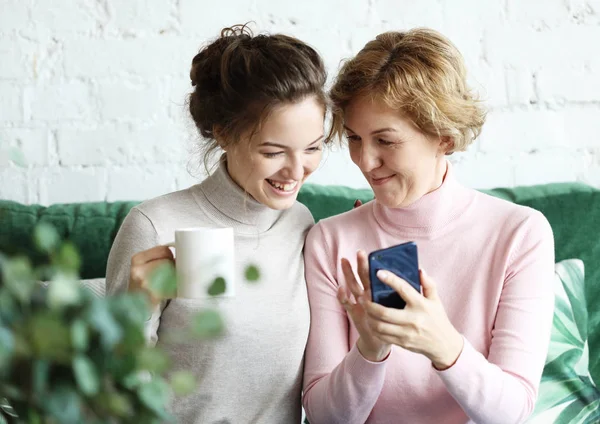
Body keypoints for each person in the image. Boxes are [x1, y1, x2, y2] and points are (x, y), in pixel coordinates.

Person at [302, 28, 555, 424]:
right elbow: (323, 418)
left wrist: (444, 346)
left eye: (385, 140)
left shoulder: (519, 234)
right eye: (354, 138)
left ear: (445, 138)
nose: (365, 161)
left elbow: (512, 413)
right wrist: (369, 349)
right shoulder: (330, 240)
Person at [106, 24, 328, 423]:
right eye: (274, 151)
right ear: (224, 134)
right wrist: (133, 312)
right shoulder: (156, 226)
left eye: (313, 148)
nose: (297, 171)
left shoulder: (300, 222)